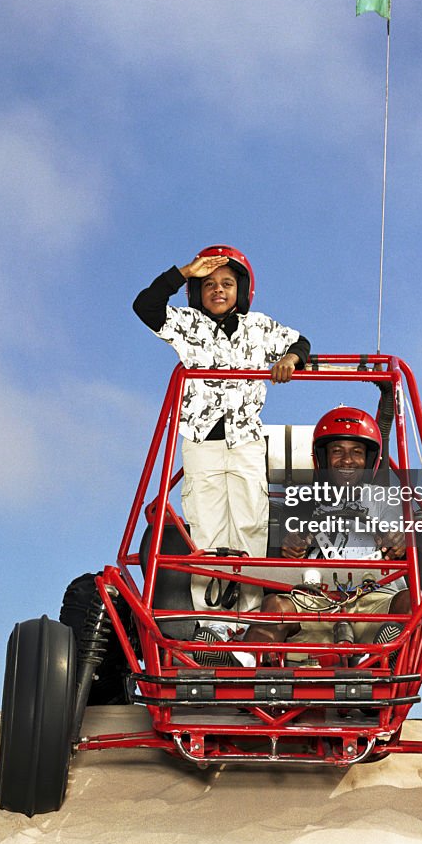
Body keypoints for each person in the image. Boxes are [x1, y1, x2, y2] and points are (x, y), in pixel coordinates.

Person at [133, 245, 310, 612]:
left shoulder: (259, 327)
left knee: (249, 523)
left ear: (242, 290)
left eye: (227, 283)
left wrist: (290, 360)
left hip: (245, 439)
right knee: (207, 527)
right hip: (201, 440)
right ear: (197, 289)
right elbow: (145, 307)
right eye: (209, 283)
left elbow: (299, 343)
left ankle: (245, 622)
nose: (218, 290)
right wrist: (184, 271)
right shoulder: (187, 324)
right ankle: (212, 626)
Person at [243, 406, 415, 655]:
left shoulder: (388, 500)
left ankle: (389, 653)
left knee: (413, 599)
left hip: (375, 600)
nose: (347, 460)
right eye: (337, 451)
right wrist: (292, 552)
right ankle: (243, 663)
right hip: (315, 600)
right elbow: (286, 556)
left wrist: (402, 542)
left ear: (369, 460)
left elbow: (411, 543)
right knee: (274, 605)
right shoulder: (301, 501)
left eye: (357, 452)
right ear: (322, 458)